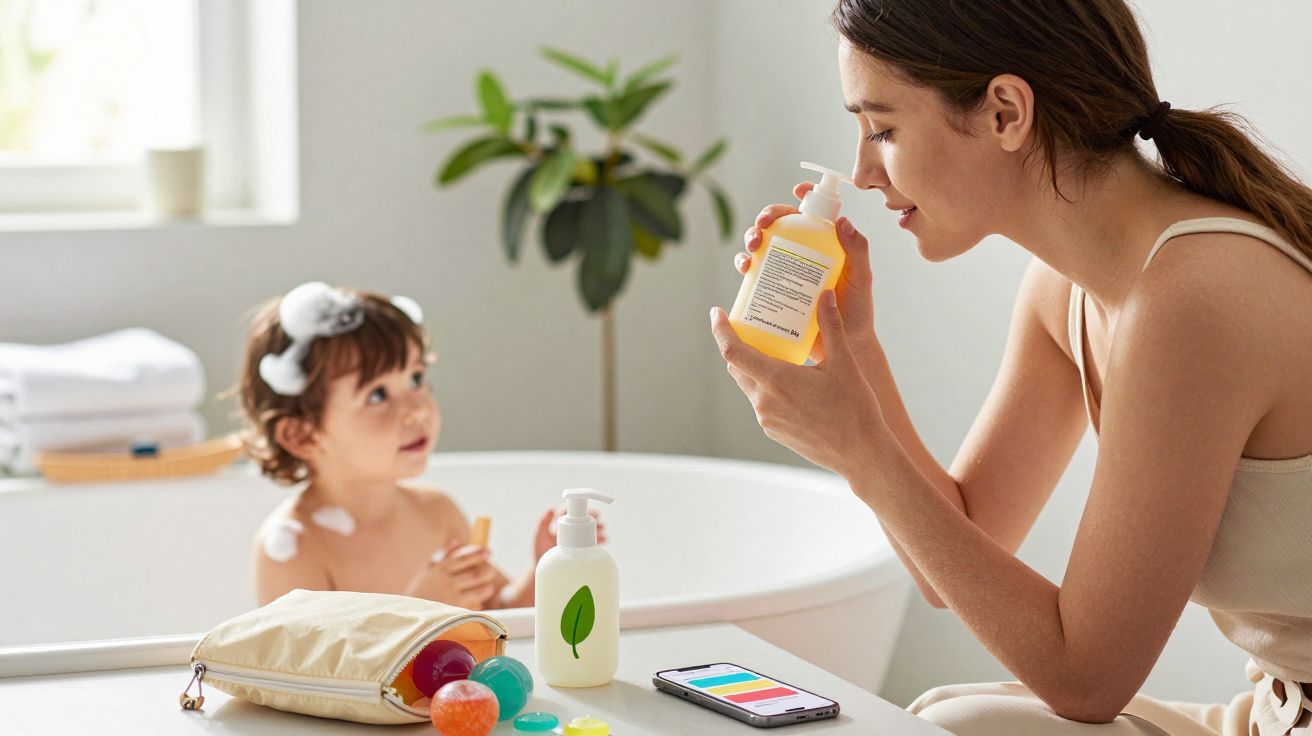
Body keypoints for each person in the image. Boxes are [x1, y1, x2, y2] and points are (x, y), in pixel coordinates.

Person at [710, 1, 1312, 733]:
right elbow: (952, 560)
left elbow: (1088, 679)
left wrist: (857, 448)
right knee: (943, 716)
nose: (864, 171)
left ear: (1005, 113)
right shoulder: (1066, 290)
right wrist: (853, 346)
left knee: (959, 726)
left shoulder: (1193, 299)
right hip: (1270, 715)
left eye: (884, 129)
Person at [239, 282, 603, 609]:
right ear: (302, 436)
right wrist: (418, 609)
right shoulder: (294, 550)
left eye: (416, 378)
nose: (417, 410)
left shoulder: (436, 513)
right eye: (377, 394)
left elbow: (501, 616)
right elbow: (309, 676)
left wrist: (546, 568)